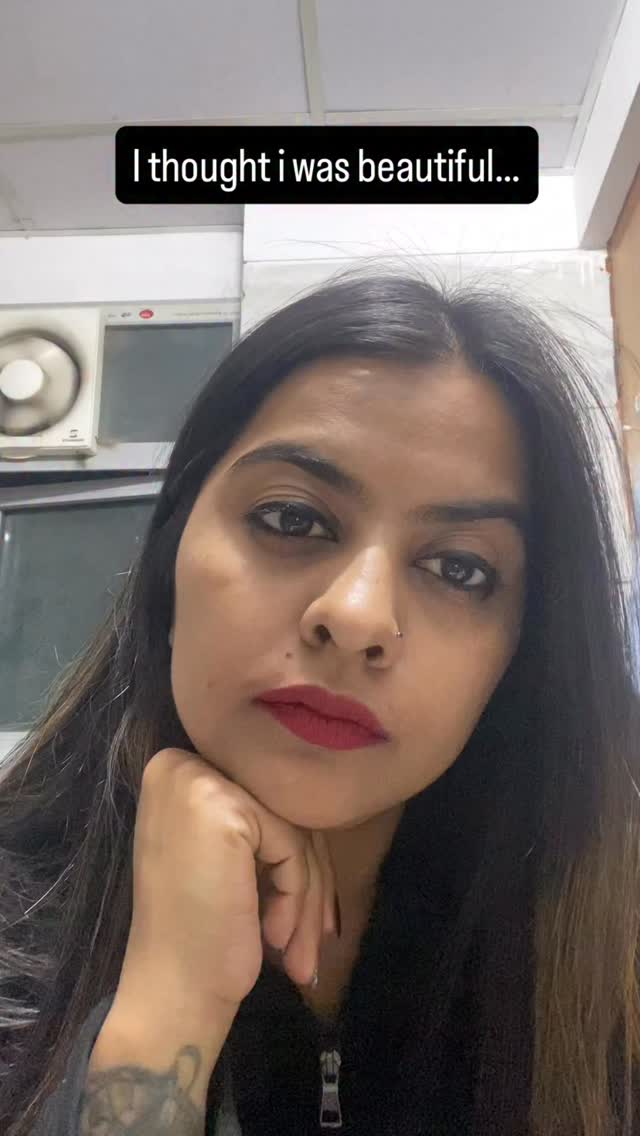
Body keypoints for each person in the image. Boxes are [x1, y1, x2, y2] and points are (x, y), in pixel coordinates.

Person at [0, 266, 638, 1136]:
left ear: (522, 652)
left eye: (460, 568)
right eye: (292, 519)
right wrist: (166, 1014)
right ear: (169, 560)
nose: (358, 615)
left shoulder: (610, 947)